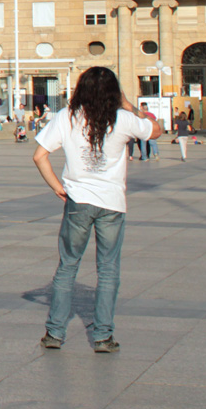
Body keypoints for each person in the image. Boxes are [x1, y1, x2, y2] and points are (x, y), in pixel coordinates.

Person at [33, 66, 162, 353]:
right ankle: (103, 336)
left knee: (67, 267)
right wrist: (129, 105)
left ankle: (54, 333)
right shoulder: (124, 118)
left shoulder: (67, 117)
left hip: (78, 201)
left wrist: (57, 186)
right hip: (112, 204)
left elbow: (39, 155)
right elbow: (156, 131)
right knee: (108, 269)